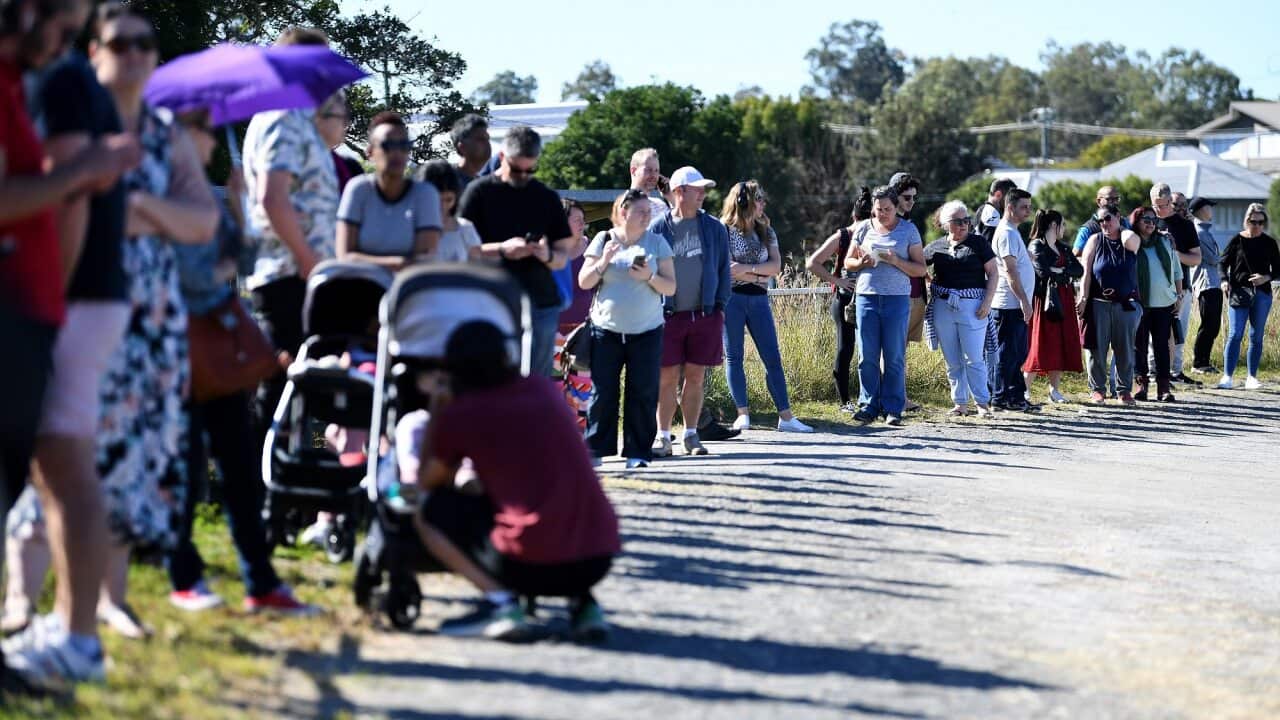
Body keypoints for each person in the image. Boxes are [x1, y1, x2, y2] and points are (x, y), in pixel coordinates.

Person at [0, 0, 139, 690]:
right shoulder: (70, 80)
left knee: (65, 463)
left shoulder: (59, 82)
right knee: (59, 467)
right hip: (87, 294)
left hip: (74, 295)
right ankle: (70, 627)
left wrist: (47, 309)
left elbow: (72, 196)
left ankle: (78, 637)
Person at [167, 109, 316, 616]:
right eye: (202, 130)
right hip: (178, 348)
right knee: (185, 466)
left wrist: (236, 206)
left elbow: (232, 265)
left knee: (238, 465)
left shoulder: (201, 196)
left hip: (217, 349)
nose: (211, 140)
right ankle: (183, 576)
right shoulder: (155, 193)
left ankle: (260, 580)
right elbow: (186, 275)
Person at [410, 321, 621, 641]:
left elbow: (426, 481)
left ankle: (501, 603)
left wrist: (438, 409)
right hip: (597, 557)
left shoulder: (463, 412)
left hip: (532, 565)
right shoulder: (539, 389)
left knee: (429, 511)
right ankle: (584, 605)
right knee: (551, 503)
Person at [242, 26, 341, 455]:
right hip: (290, 275)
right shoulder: (282, 116)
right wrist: (307, 259)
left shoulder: (300, 119)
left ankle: (310, 475)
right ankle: (269, 487)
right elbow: (271, 196)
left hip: (305, 274)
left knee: (314, 384)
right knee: (286, 383)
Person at [458, 125, 574, 378]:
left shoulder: (545, 197)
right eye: (516, 168)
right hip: (491, 300)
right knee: (492, 380)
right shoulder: (478, 193)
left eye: (529, 169)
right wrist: (502, 249)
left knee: (537, 385)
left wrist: (547, 255)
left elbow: (563, 253)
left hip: (540, 301)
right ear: (502, 157)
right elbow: (461, 249)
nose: (523, 175)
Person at [579, 190, 676, 468]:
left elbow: (671, 287)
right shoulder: (603, 239)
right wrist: (603, 261)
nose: (647, 216)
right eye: (641, 211)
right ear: (623, 212)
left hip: (647, 329)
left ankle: (637, 452)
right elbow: (584, 281)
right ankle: (596, 449)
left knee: (643, 391)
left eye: (649, 211)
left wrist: (650, 276)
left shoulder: (657, 242)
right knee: (603, 391)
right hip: (606, 329)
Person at [648, 166, 731, 455]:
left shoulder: (715, 227)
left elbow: (723, 269)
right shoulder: (658, 227)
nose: (703, 195)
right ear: (679, 192)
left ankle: (692, 435)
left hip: (705, 314)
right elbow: (648, 267)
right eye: (698, 190)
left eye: (704, 190)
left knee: (695, 377)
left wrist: (719, 305)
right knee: (666, 378)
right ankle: (663, 438)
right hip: (667, 315)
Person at [719, 181, 812, 433]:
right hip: (732, 300)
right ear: (743, 201)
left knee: (772, 357)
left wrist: (747, 272)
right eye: (758, 199)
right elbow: (726, 270)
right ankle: (742, 414)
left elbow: (775, 267)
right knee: (734, 356)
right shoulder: (723, 230)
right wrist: (759, 275)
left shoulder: (767, 231)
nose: (763, 204)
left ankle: (786, 417)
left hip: (759, 300)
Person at [842, 185, 926, 425]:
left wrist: (896, 260)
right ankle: (869, 404)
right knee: (866, 355)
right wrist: (861, 262)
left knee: (894, 356)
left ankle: (893, 407)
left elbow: (920, 269)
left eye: (887, 209)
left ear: (896, 207)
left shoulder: (908, 230)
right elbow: (848, 262)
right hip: (867, 297)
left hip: (897, 299)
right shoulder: (864, 228)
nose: (882, 214)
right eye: (878, 209)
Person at [336, 112, 441, 270]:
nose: (397, 153)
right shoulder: (357, 189)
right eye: (388, 145)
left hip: (409, 290)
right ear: (370, 152)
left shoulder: (425, 194)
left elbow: (424, 259)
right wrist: (397, 264)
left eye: (404, 146)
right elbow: (345, 256)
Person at [922, 201, 997, 417]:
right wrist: (930, 283)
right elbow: (919, 266)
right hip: (943, 305)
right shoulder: (936, 246)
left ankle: (982, 404)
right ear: (946, 224)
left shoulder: (979, 243)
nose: (964, 224)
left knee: (974, 358)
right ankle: (960, 403)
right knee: (952, 360)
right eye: (958, 221)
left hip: (973, 306)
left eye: (967, 220)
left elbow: (993, 272)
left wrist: (987, 302)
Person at [806, 187, 871, 413]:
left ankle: (870, 398)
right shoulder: (843, 236)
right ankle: (845, 400)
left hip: (870, 298)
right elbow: (812, 262)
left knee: (868, 349)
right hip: (845, 300)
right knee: (846, 348)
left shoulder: (877, 233)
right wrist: (837, 280)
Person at [1077, 207, 1142, 405]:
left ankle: (1124, 390)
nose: (1104, 223)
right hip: (1099, 303)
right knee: (1097, 350)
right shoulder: (1095, 240)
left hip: (1125, 304)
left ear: (1118, 218)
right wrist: (1083, 297)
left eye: (1108, 218)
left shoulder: (1127, 238)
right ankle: (1097, 389)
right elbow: (1086, 272)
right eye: (1100, 220)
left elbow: (1133, 241)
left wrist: (1122, 230)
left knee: (1125, 350)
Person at [1022, 209, 1083, 403]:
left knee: (1059, 343)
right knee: (1039, 344)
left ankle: (1054, 390)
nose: (1064, 228)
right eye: (1062, 224)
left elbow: (1078, 269)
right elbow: (1042, 272)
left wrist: (1060, 270)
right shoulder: (1036, 245)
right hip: (1044, 299)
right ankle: (1024, 389)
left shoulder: (1062, 247)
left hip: (1063, 299)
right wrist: (1062, 272)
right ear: (1054, 225)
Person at [1217, 203, 1280, 390]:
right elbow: (1222, 262)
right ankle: (1227, 376)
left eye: (1261, 222)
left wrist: (1266, 277)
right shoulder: (1236, 240)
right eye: (1254, 222)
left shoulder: (1269, 242)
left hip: (1262, 293)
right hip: (1238, 292)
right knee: (1235, 334)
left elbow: (1278, 269)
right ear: (1247, 221)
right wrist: (1223, 281)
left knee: (1256, 335)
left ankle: (1251, 377)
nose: (1257, 225)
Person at [989, 188, 1037, 411]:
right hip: (1009, 304)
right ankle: (999, 398)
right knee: (1007, 354)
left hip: (1015, 304)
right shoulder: (1007, 233)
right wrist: (1024, 301)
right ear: (1010, 207)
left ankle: (1015, 396)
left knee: (1017, 353)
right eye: (1023, 207)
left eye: (1029, 206)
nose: (1028, 211)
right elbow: (1010, 271)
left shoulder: (1013, 232)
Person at [1130, 206, 1183, 402]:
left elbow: (1177, 271)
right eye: (1145, 219)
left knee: (1162, 346)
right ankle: (1141, 386)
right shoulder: (1131, 243)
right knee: (1139, 346)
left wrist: (1179, 296)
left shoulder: (1165, 241)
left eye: (1153, 219)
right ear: (1136, 221)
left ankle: (1163, 388)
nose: (1151, 223)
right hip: (1140, 304)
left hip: (1165, 303)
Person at [1151, 184, 1201, 386]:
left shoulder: (1184, 225)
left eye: (1162, 205)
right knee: (1152, 332)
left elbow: (1196, 258)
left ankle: (1176, 371)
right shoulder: (1147, 221)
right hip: (1152, 286)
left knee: (1177, 331)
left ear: (1170, 202)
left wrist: (1172, 253)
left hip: (1180, 286)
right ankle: (1154, 371)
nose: (1158, 210)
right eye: (1155, 205)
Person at [890, 172, 926, 412]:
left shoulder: (909, 226)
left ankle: (900, 396)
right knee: (892, 350)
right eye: (906, 197)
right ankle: (894, 398)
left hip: (915, 292)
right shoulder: (888, 225)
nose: (911, 202)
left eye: (914, 198)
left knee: (901, 350)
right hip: (896, 294)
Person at [419, 159, 482, 263]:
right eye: (436, 200)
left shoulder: (465, 229)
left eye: (448, 200)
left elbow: (475, 271)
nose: (443, 206)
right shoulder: (408, 227)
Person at [1187, 197, 1224, 375]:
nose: (1211, 210)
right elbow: (1211, 258)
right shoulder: (1198, 232)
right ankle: (1198, 362)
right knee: (1209, 324)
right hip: (1206, 282)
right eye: (1209, 206)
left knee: (1213, 324)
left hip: (1213, 282)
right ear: (1201, 209)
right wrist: (1228, 259)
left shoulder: (1204, 231)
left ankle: (1204, 361)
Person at [314, 91, 359, 195]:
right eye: (341, 117)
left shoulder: (349, 166)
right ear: (319, 118)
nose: (346, 124)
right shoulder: (294, 165)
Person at [1073, 186, 1126, 257]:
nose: (1114, 203)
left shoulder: (1125, 222)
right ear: (1098, 201)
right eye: (1109, 199)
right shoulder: (1089, 228)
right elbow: (1076, 252)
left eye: (1116, 199)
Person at [450, 113, 490, 189]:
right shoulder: (447, 182)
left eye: (487, 139)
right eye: (481, 139)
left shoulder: (485, 185)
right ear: (462, 147)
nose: (487, 143)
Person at [629, 147, 671, 219]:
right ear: (633, 171)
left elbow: (679, 228)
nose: (654, 175)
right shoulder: (625, 204)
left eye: (656, 171)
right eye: (649, 170)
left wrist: (670, 196)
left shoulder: (660, 205)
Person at [975, 177, 1016, 243]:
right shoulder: (992, 213)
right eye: (1010, 198)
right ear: (998, 195)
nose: (1012, 202)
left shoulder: (983, 209)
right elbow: (988, 246)